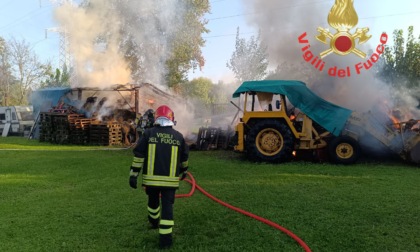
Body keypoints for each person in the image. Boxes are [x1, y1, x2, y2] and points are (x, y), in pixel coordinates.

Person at [129, 105, 189, 249]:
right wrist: (184, 170)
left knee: (153, 202)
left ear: (156, 118)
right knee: (168, 207)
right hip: (170, 182)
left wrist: (133, 175)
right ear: (172, 119)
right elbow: (185, 157)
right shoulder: (178, 136)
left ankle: (154, 221)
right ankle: (166, 240)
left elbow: (139, 155)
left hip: (151, 181)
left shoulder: (148, 134)